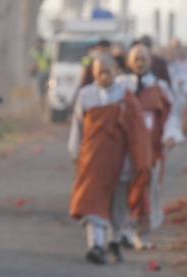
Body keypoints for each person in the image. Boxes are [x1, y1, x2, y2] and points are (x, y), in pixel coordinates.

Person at [68, 55, 151, 264]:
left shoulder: (126, 96)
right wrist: (75, 153)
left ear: (116, 71)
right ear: (93, 73)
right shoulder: (85, 95)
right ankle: (95, 245)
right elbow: (78, 127)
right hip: (93, 159)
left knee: (118, 206)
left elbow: (137, 132)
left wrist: (140, 161)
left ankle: (114, 241)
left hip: (121, 161)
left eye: (108, 72)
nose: (104, 76)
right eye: (99, 72)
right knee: (90, 202)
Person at [118, 43, 177, 247]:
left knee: (148, 188)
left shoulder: (160, 87)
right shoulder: (120, 85)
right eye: (136, 59)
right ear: (129, 62)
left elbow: (171, 114)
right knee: (125, 189)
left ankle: (140, 231)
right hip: (125, 148)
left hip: (151, 148)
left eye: (143, 59)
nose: (139, 63)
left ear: (150, 62)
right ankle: (122, 229)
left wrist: (170, 135)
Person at [28, 36, 51, 102]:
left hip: (47, 73)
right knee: (40, 91)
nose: (40, 44)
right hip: (38, 74)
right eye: (38, 42)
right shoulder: (33, 52)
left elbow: (51, 60)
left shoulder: (48, 50)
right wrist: (32, 67)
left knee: (48, 89)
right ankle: (41, 103)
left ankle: (47, 102)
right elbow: (30, 64)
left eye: (41, 42)